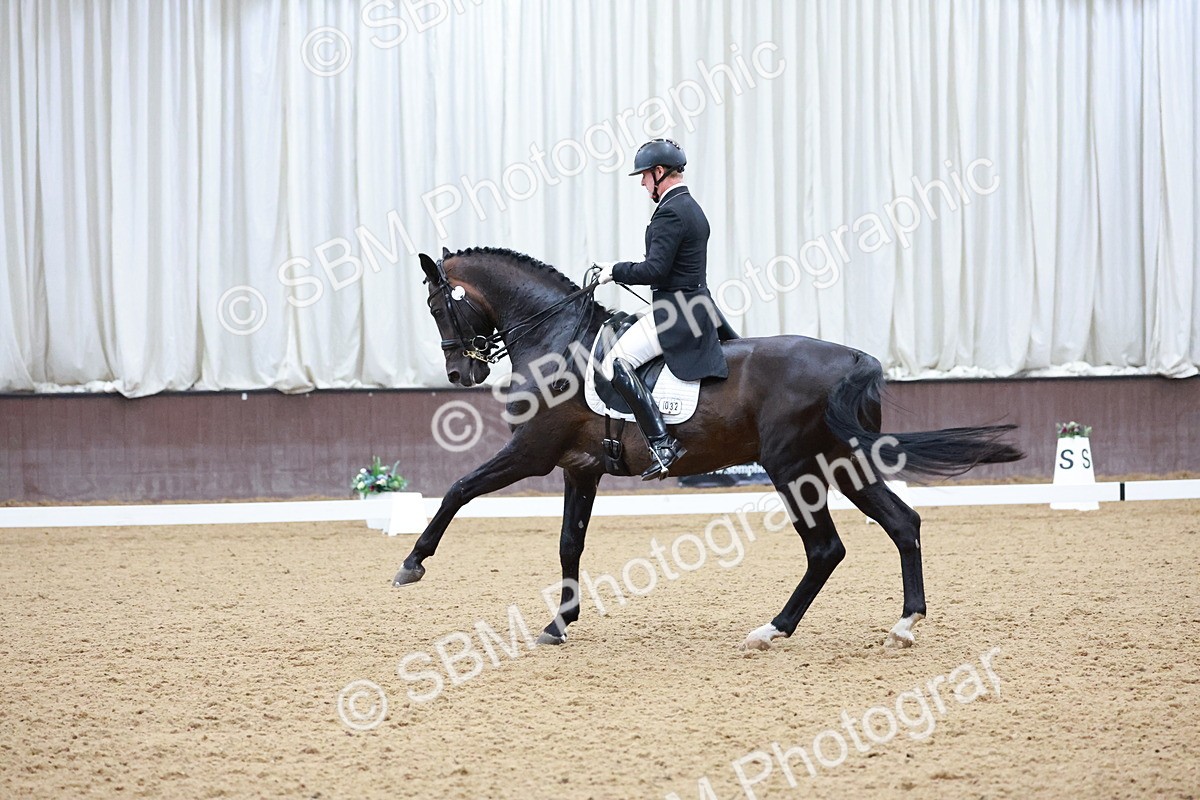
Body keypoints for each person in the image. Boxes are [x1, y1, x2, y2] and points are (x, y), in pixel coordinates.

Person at [596, 138, 730, 480]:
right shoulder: (692, 207)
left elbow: (654, 270)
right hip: (695, 304)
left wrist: (615, 270)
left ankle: (661, 443)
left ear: (659, 172)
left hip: (677, 313)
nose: (643, 184)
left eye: (644, 176)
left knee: (616, 362)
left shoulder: (671, 211)